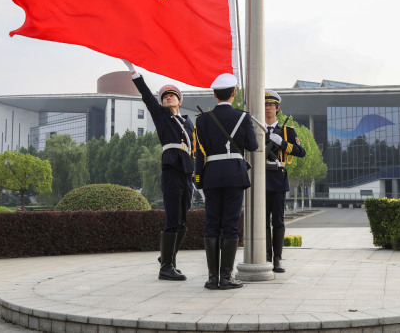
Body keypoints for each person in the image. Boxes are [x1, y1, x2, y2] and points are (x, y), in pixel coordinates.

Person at [123, 60, 194, 281]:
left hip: (187, 173)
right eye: (165, 97)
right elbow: (146, 96)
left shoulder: (189, 123)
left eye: (172, 96)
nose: (168, 98)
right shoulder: (161, 115)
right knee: (173, 220)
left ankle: (169, 258)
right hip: (171, 170)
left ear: (180, 101)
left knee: (183, 221)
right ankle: (165, 267)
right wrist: (134, 72)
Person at [194, 73, 258, 290]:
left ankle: (212, 279)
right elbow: (253, 145)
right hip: (234, 174)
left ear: (214, 95)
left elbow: (199, 152)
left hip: (211, 174)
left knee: (212, 224)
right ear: (233, 94)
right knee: (231, 224)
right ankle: (226, 278)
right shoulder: (243, 117)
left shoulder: (202, 119)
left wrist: (198, 180)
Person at [264, 89, 306, 273]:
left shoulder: (288, 131)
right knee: (262, 222)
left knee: (278, 221)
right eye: (265, 105)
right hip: (260, 178)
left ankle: (277, 259)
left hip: (278, 177)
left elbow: (301, 152)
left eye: (271, 105)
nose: (267, 108)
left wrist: (282, 143)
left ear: (277, 108)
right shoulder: (255, 129)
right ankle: (266, 257)